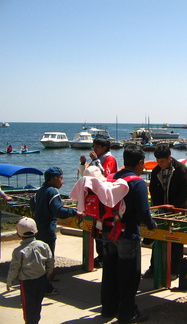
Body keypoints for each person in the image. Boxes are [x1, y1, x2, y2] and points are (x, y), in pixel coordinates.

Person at [101, 144, 156, 323]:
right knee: (129, 276)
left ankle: (108, 309)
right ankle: (127, 313)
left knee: (109, 273)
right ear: (140, 163)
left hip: (108, 231)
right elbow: (143, 211)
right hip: (127, 233)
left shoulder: (111, 178)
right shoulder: (137, 183)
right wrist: (152, 225)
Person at [30, 167, 84, 295]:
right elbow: (58, 211)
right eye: (61, 178)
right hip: (48, 230)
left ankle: (40, 284)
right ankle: (46, 287)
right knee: (48, 260)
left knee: (40, 259)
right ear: (53, 179)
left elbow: (33, 205)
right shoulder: (53, 192)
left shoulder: (39, 192)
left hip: (38, 230)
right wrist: (75, 212)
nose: (62, 181)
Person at [143, 145, 187, 280]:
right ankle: (154, 267)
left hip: (177, 211)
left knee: (176, 242)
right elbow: (153, 190)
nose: (160, 164)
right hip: (160, 211)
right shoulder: (156, 171)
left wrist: (174, 209)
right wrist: (159, 208)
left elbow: (185, 192)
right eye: (158, 161)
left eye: (162, 161)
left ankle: (175, 270)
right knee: (158, 239)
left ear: (169, 158)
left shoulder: (181, 169)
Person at [7, 217, 54, 324]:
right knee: (37, 304)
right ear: (36, 231)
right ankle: (35, 321)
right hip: (42, 279)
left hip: (27, 282)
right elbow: (50, 261)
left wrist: (10, 281)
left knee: (28, 306)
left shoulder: (18, 251)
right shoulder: (44, 245)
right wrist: (48, 273)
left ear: (18, 234)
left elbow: (14, 268)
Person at [79, 137, 118, 267]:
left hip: (104, 198)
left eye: (97, 147)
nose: (94, 149)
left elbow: (105, 175)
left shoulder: (109, 159)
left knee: (104, 226)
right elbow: (87, 174)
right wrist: (84, 163)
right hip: (96, 198)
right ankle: (100, 255)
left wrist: (95, 160)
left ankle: (104, 255)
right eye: (94, 146)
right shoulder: (98, 159)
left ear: (104, 147)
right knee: (97, 227)